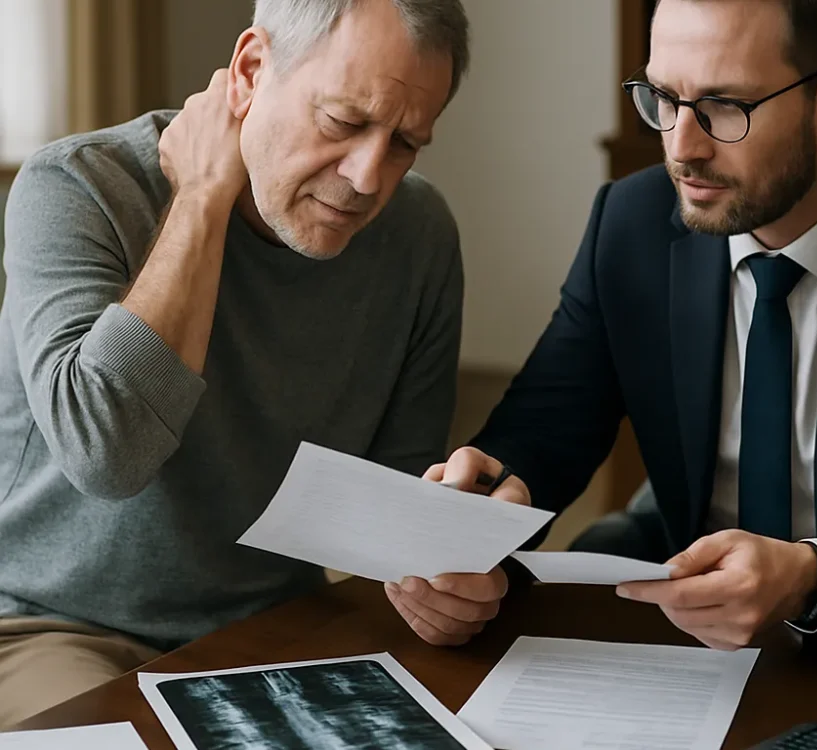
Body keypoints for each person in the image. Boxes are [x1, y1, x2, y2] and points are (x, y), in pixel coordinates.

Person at [385, 0, 817, 661]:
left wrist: (811, 578)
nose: (682, 147)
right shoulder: (632, 222)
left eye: (724, 107)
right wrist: (477, 524)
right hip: (692, 649)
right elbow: (544, 426)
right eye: (664, 98)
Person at [0, 0, 469, 727]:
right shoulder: (78, 185)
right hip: (48, 624)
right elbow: (107, 457)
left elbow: (395, 498)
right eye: (343, 122)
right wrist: (204, 196)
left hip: (270, 628)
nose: (369, 176)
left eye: (407, 142)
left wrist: (443, 570)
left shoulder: (420, 235)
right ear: (250, 70)